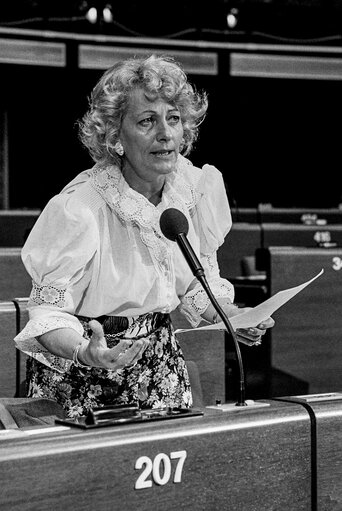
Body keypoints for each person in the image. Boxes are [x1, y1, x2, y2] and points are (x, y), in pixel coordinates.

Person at [14, 54, 274, 419]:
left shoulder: (192, 189)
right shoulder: (81, 208)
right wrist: (87, 351)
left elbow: (197, 284)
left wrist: (231, 315)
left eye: (174, 119)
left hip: (159, 363)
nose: (165, 133)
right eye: (147, 121)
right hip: (86, 371)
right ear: (116, 137)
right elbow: (46, 314)